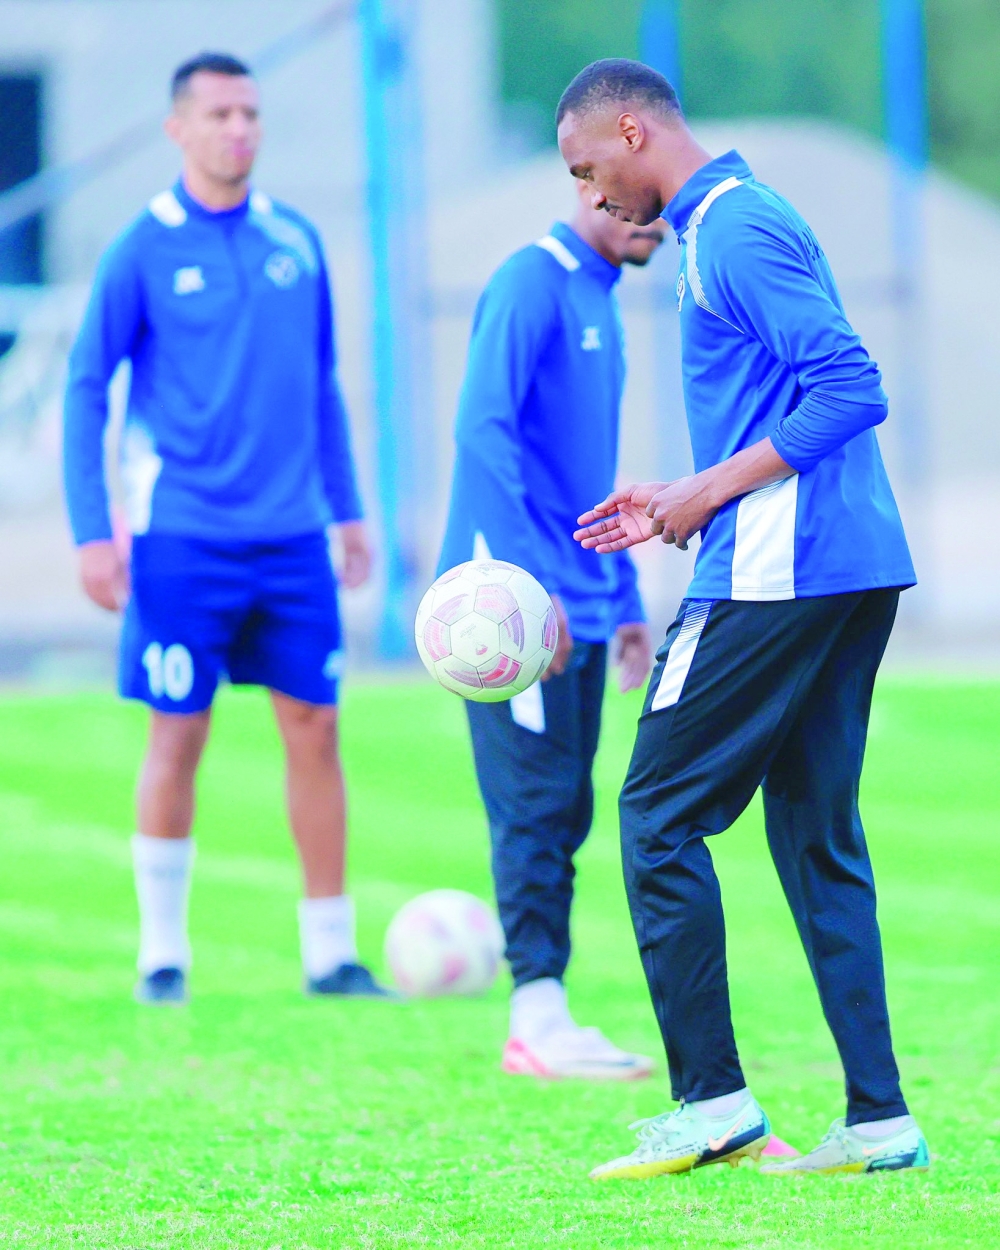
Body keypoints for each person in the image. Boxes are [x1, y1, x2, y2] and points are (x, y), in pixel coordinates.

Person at [558, 59, 930, 1175]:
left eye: (588, 168)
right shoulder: (731, 219)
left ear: (633, 132)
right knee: (813, 831)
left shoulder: (731, 228)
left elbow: (850, 385)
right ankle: (877, 1118)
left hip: (780, 566)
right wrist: (683, 486)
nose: (591, 197)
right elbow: (785, 403)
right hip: (841, 555)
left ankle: (712, 1100)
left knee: (655, 812)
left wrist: (705, 493)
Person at [63, 52, 393, 1004]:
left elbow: (321, 383)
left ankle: (330, 954)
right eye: (218, 114)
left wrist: (349, 509)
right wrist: (95, 529)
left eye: (249, 113)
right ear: (179, 128)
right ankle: (161, 955)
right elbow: (88, 387)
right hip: (183, 539)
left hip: (293, 539)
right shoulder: (141, 247)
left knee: (316, 728)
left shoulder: (296, 240)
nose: (238, 129)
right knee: (178, 733)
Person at [437, 179, 664, 1078]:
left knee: (567, 803)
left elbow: (585, 476)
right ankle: (534, 1020)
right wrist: (529, 588)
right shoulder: (531, 281)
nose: (662, 229)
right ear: (604, 186)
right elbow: (480, 433)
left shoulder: (596, 295)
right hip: (510, 610)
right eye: (651, 212)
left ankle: (549, 1007)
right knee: (534, 803)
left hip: (582, 598)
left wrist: (625, 598)